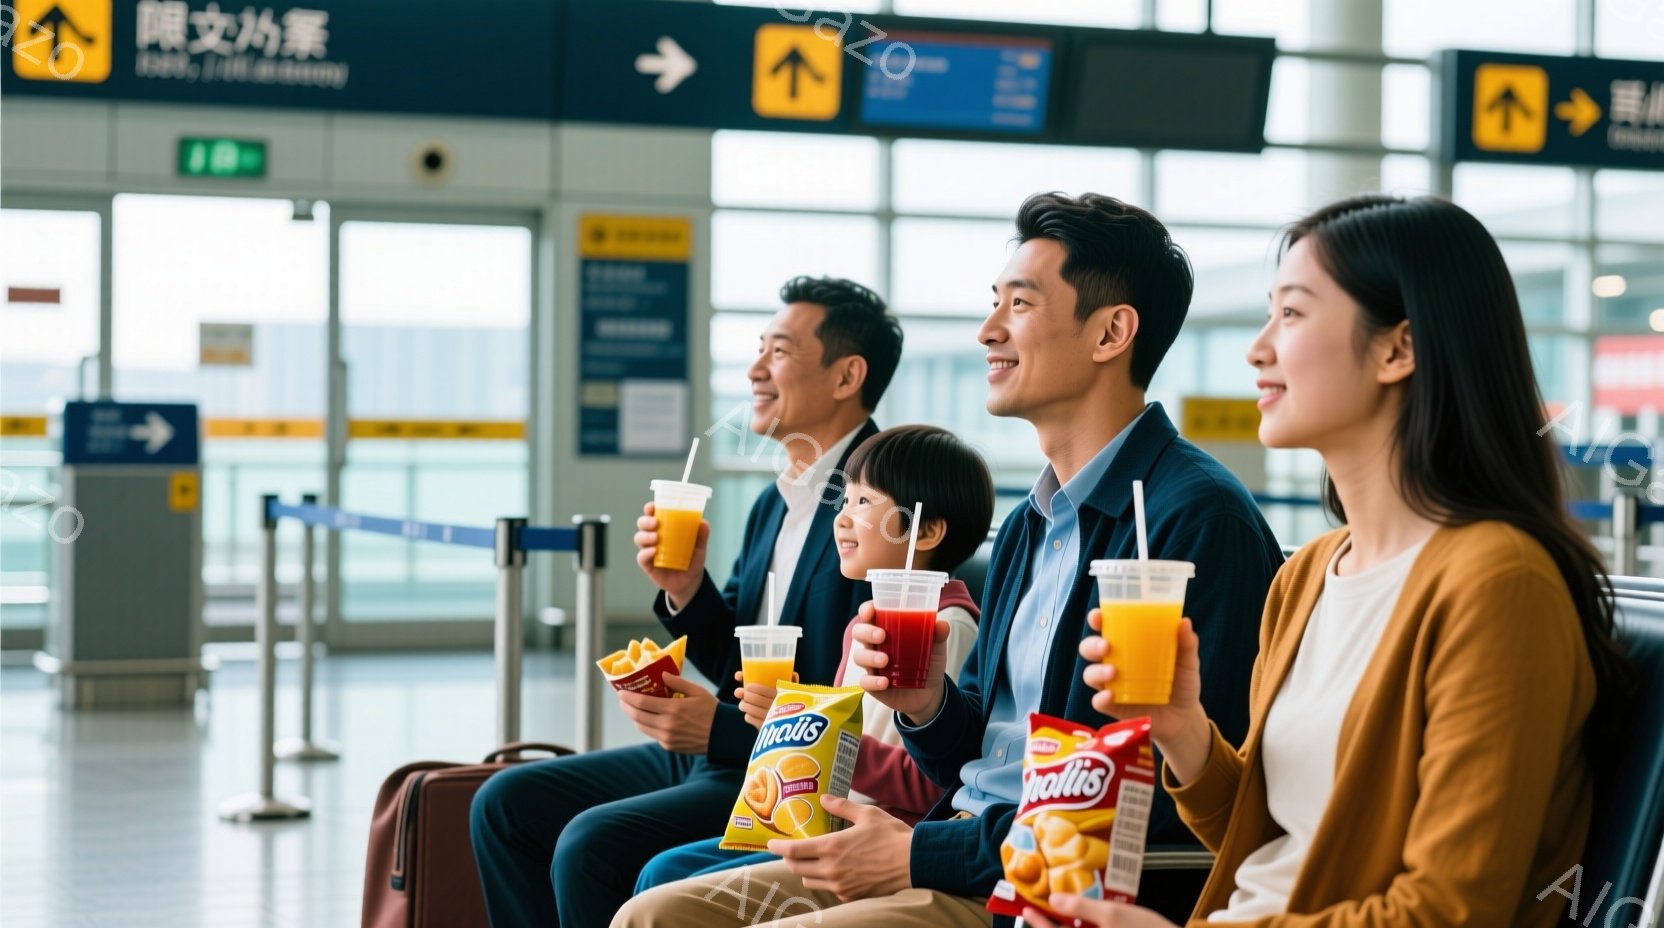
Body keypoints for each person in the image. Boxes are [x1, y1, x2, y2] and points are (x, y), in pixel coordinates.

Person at [613, 192, 1284, 928]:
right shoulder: (1032, 522)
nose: (988, 330)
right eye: (993, 302)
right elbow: (983, 756)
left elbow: (1168, 803)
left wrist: (917, 855)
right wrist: (927, 702)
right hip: (958, 845)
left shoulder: (1191, 519)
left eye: (1019, 305)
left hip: (1039, 891)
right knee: (653, 913)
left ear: (1111, 332)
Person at [1024, 194, 1633, 928]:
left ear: (1397, 348)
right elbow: (1275, 845)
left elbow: (1450, 910)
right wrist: (1183, 732)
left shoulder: (1497, 585)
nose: (1258, 348)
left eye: (1293, 313)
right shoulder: (1309, 575)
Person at [470, 276, 903, 927]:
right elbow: (735, 654)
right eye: (759, 348)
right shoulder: (776, 501)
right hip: (728, 747)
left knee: (589, 845)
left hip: (792, 772)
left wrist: (723, 728)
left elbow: (859, 704)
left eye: (778, 351)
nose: (755, 369)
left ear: (847, 376)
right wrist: (685, 588)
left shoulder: (879, 503)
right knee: (504, 803)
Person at [633, 424, 994, 890]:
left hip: (873, 844)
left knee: (665, 878)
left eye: (864, 503)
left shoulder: (948, 628)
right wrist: (793, 718)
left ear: (925, 531)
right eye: (845, 501)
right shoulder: (864, 624)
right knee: (663, 869)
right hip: (822, 821)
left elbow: (934, 783)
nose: (841, 518)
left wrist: (825, 738)